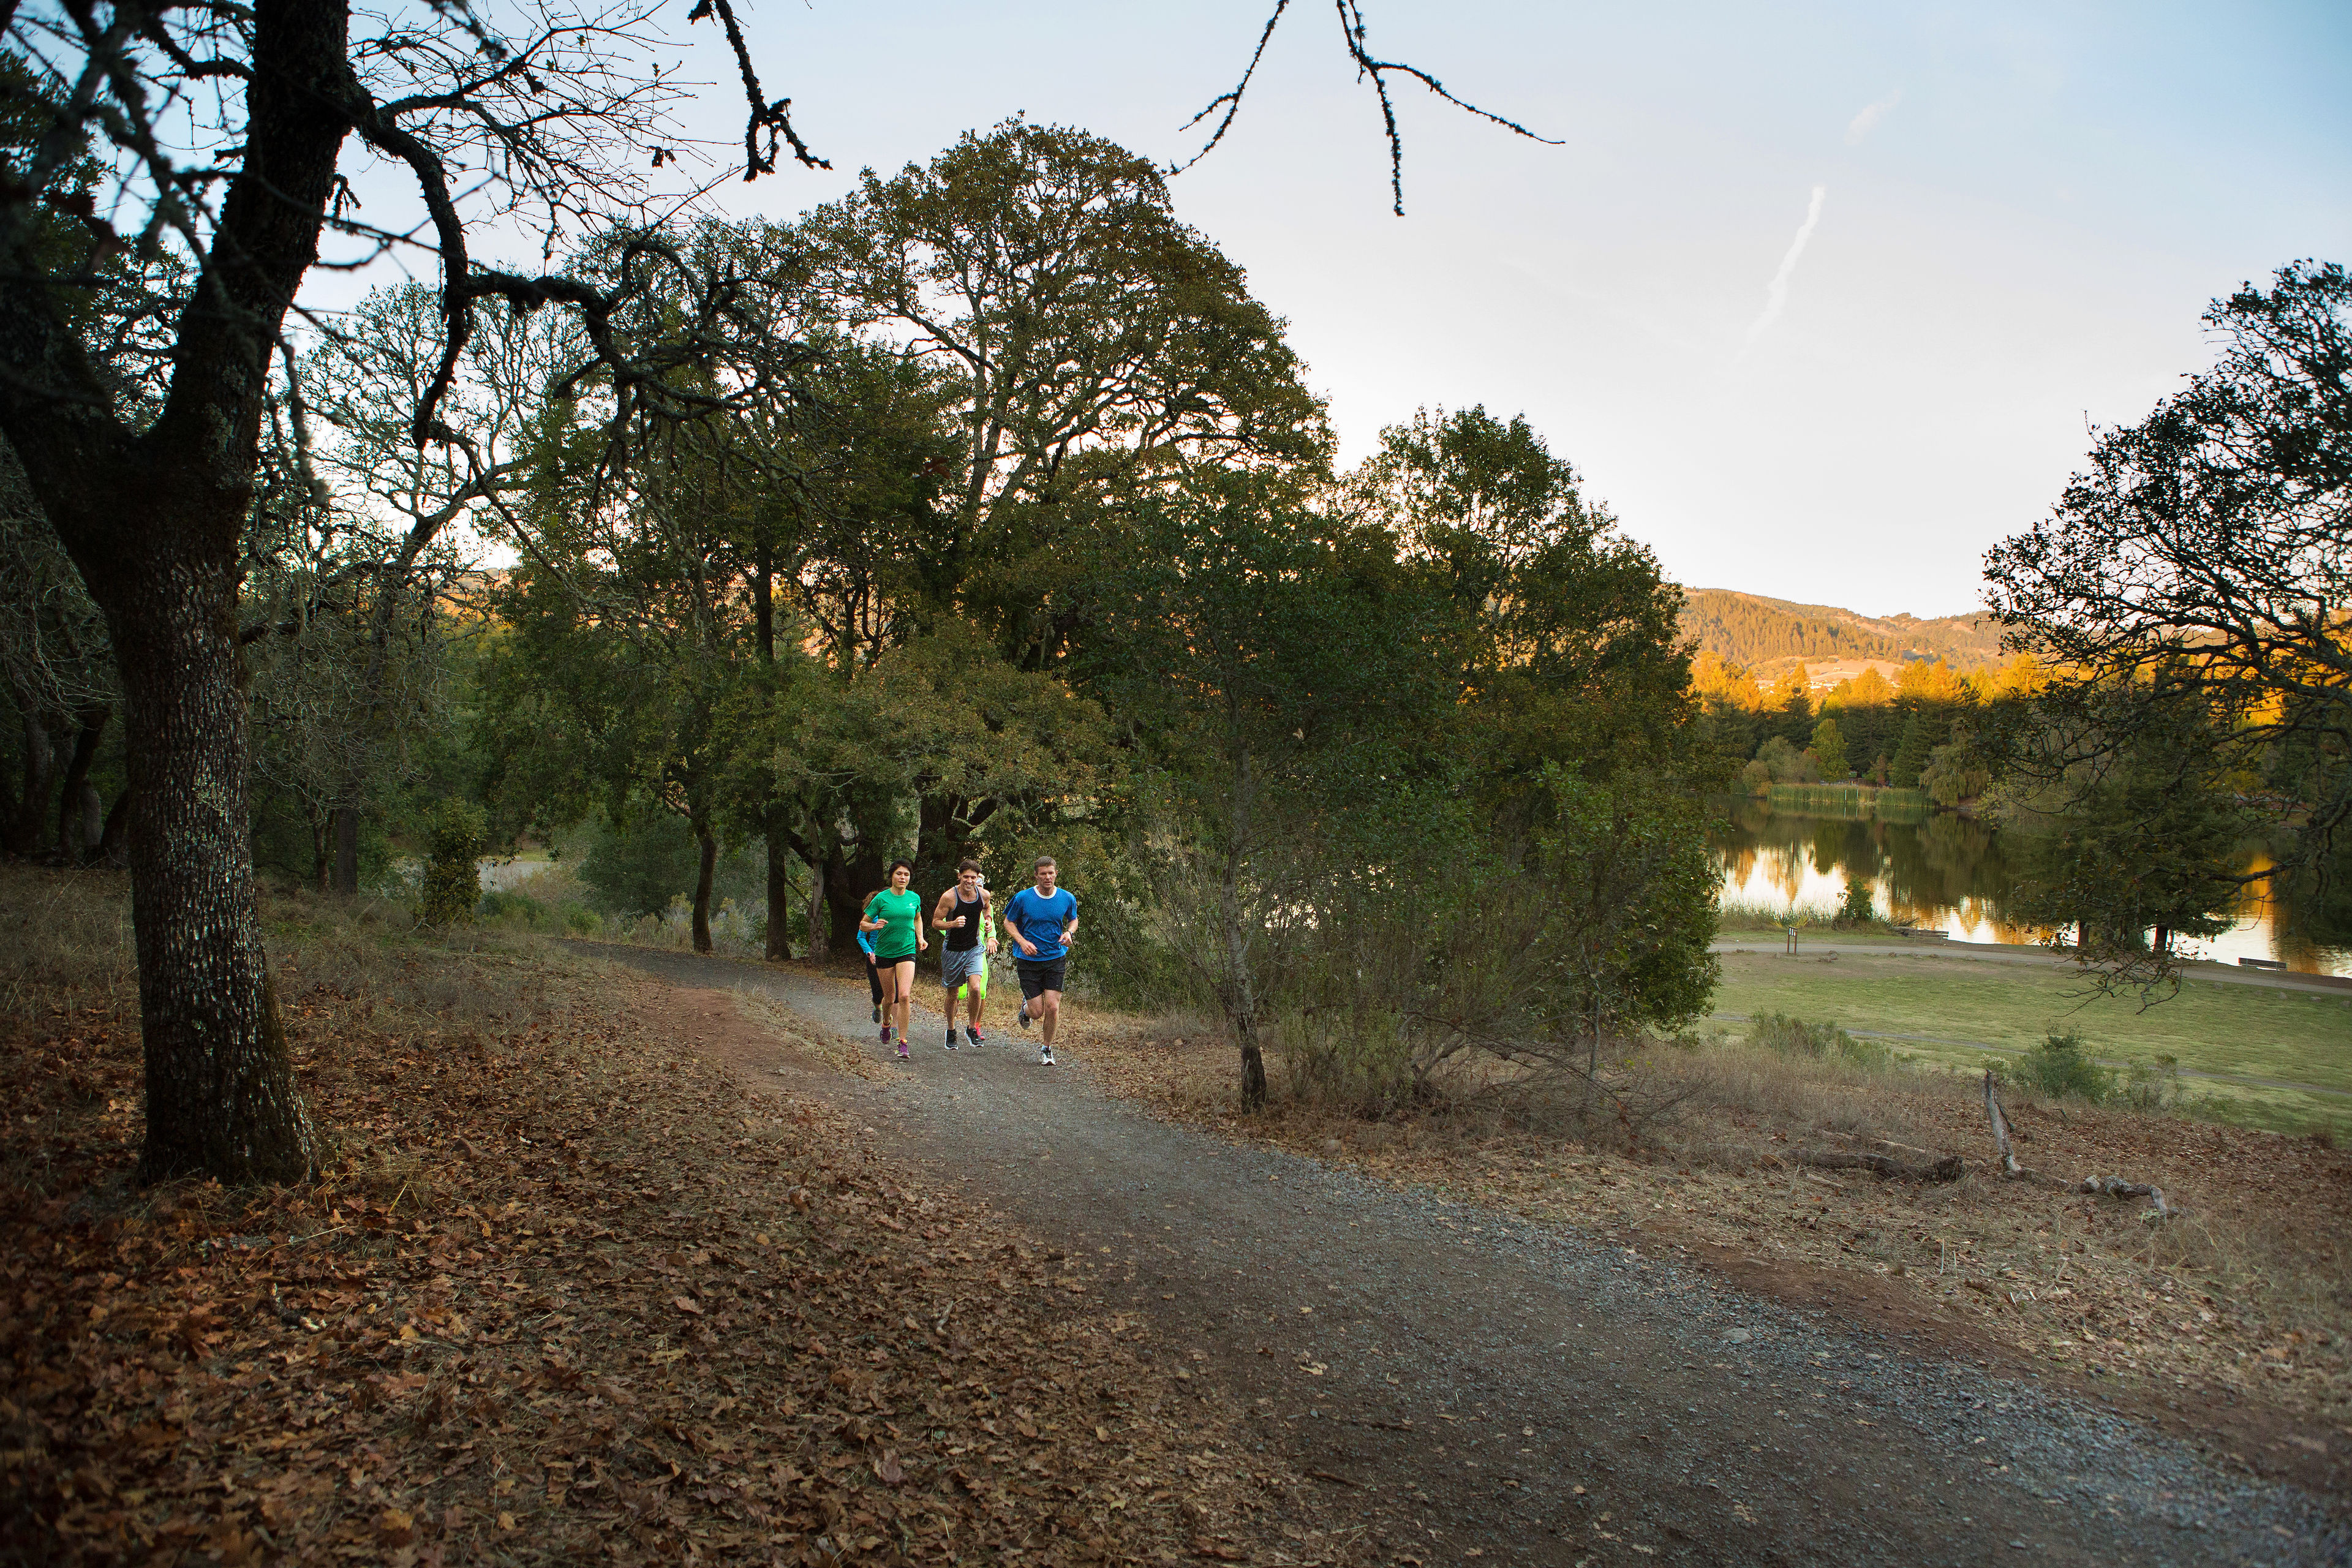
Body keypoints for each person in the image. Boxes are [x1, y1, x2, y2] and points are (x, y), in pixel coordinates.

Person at [1002, 854, 1077, 1066]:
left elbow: (1073, 919)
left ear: (1056, 874)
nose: (1047, 877)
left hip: (1055, 957)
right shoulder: (1023, 898)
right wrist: (1022, 941)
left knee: (1052, 1007)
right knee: (1037, 1012)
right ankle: (1025, 1009)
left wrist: (1069, 933)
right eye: (1043, 874)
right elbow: (1009, 922)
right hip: (1028, 960)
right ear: (1036, 875)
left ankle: (1047, 1049)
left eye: (1051, 873)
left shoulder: (1066, 898)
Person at [859, 860, 926, 1059]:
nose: (903, 877)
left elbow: (917, 918)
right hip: (884, 953)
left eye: (906, 874)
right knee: (889, 998)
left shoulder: (914, 898)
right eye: (899, 874)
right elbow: (863, 924)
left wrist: (920, 938)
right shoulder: (881, 899)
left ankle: (903, 1043)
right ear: (892, 876)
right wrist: (874, 926)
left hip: (907, 950)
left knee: (904, 996)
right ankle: (886, 1024)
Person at [933, 859, 995, 1050]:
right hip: (953, 950)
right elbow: (936, 922)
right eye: (966, 877)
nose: (970, 881)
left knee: (976, 989)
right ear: (959, 876)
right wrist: (952, 924)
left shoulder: (983, 895)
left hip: (974, 948)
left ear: (978, 879)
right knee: (953, 994)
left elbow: (987, 908)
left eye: (973, 878)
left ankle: (971, 1028)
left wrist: (988, 921)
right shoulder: (949, 897)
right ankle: (951, 1030)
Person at [855, 892, 885, 1025]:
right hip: (874, 956)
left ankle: (890, 1020)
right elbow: (861, 937)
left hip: (891, 954)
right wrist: (870, 953)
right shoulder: (870, 918)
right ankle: (877, 1007)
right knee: (878, 991)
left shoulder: (892, 914)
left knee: (893, 992)